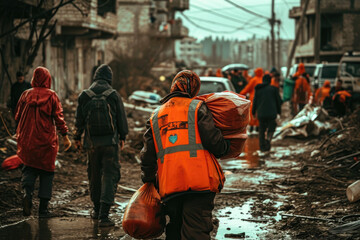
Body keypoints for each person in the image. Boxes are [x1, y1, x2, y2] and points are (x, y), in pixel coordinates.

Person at [140, 70, 230, 240]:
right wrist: (226, 147)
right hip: (199, 182)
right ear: (193, 89)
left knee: (175, 228)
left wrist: (148, 180)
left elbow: (147, 155)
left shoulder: (156, 116)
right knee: (196, 230)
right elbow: (214, 142)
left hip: (170, 185)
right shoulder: (197, 108)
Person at [74, 64, 129, 227]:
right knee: (109, 175)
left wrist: (77, 137)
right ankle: (104, 216)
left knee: (94, 175)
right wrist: (123, 136)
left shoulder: (85, 95)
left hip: (91, 144)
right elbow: (121, 118)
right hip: (110, 143)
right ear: (109, 79)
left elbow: (79, 120)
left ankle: (97, 210)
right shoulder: (113, 94)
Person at [15, 67, 71, 217]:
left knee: (29, 168)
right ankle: (43, 209)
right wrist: (65, 136)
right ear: (48, 79)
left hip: (27, 139)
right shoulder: (52, 96)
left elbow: (17, 116)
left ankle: (27, 194)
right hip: (47, 141)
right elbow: (58, 118)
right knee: (47, 173)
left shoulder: (25, 94)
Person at [252, 74, 282, 152]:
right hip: (272, 114)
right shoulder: (274, 89)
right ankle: (268, 140)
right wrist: (279, 112)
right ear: (269, 81)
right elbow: (278, 101)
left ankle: (262, 147)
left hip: (261, 114)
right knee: (272, 127)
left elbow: (255, 101)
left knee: (261, 130)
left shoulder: (258, 89)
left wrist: (253, 112)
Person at [240, 67, 264, 133]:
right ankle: (258, 127)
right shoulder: (263, 79)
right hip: (262, 99)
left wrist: (240, 94)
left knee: (252, 112)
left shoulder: (254, 80)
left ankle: (252, 127)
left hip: (253, 98)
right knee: (259, 111)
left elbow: (247, 88)